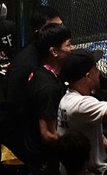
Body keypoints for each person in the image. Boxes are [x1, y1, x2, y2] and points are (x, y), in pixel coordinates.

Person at [0, 7, 64, 166]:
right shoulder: (26, 65)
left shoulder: (45, 57)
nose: (61, 31)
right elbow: (13, 106)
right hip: (13, 127)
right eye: (55, 27)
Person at [22, 22, 74, 174]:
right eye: (68, 45)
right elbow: (48, 135)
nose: (72, 48)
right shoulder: (48, 88)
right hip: (45, 163)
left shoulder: (43, 73)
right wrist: (75, 149)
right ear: (54, 51)